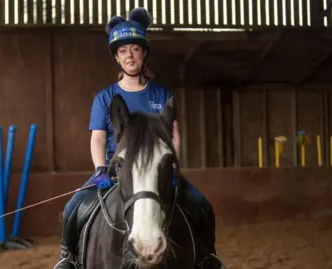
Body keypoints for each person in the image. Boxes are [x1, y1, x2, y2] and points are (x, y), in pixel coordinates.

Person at [54, 7, 223, 269]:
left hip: (157, 167)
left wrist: (173, 166)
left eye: (134, 49)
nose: (129, 55)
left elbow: (173, 135)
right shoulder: (104, 98)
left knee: (202, 204)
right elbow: (97, 139)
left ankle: (207, 257)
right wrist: (101, 168)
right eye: (123, 51)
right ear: (117, 58)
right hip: (117, 167)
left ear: (144, 53)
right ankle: (68, 258)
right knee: (72, 207)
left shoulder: (162, 95)